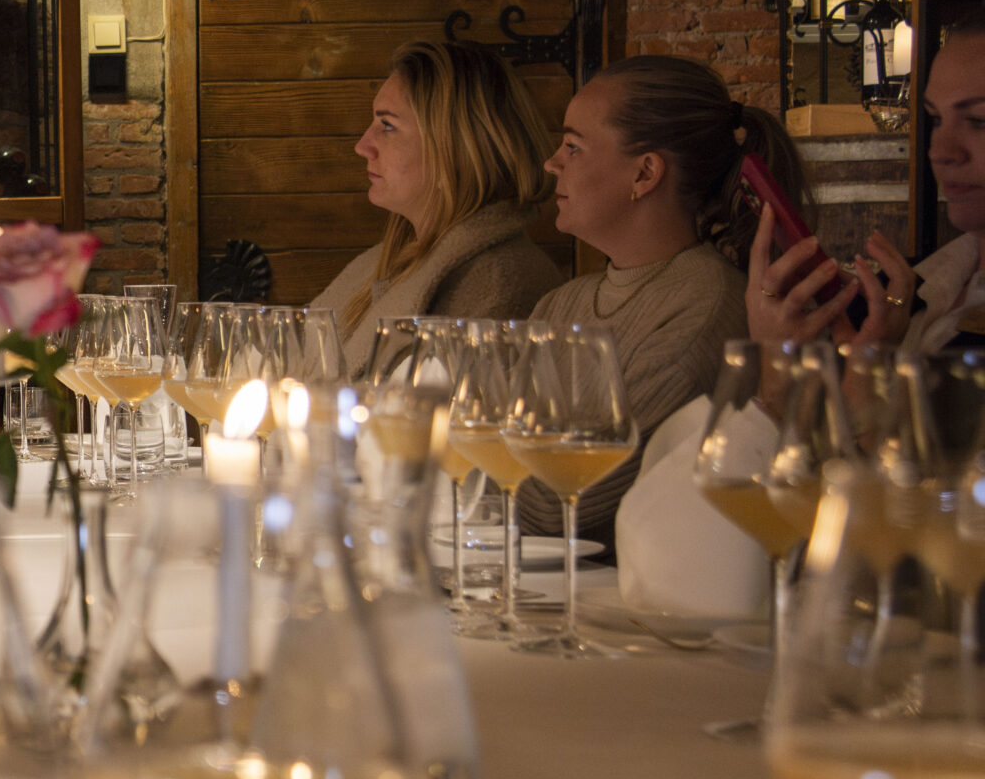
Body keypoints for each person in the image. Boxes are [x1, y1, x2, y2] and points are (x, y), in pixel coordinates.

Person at [523, 55, 809, 546]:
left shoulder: (702, 310)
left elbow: (560, 509)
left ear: (645, 174)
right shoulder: (559, 305)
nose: (552, 162)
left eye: (572, 146)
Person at [309, 40, 564, 374]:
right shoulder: (377, 264)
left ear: (455, 147)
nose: (362, 146)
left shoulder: (502, 288)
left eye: (387, 125)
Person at [749, 15, 981, 352]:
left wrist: (775, 363)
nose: (939, 152)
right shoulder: (906, 290)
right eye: (936, 119)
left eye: (979, 120)